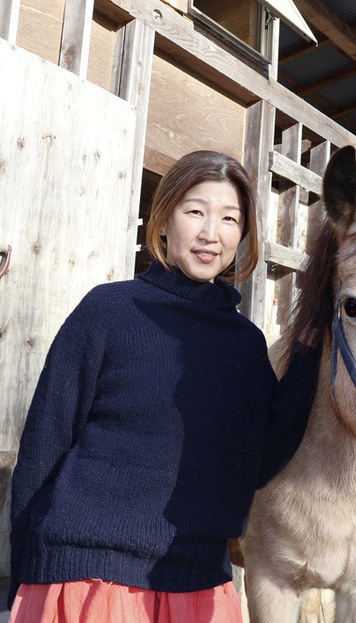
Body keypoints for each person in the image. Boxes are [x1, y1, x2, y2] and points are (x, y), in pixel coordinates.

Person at [8, 150, 313, 622]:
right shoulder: (109, 311)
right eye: (196, 211)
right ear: (165, 221)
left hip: (198, 583)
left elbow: (259, 460)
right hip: (90, 580)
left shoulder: (245, 345)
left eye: (230, 218)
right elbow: (44, 445)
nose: (212, 233)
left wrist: (312, 351)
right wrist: (24, 570)